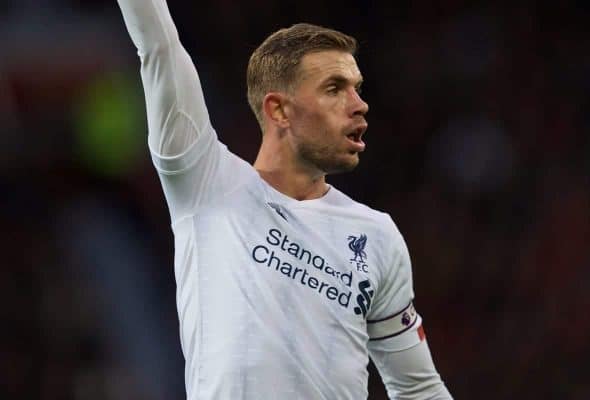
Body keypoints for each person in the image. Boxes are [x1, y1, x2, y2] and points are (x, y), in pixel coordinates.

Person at [117, 0, 453, 399]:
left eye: (357, 89)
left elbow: (417, 388)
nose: (359, 104)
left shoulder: (377, 236)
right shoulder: (205, 182)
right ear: (278, 110)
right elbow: (158, 45)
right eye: (334, 89)